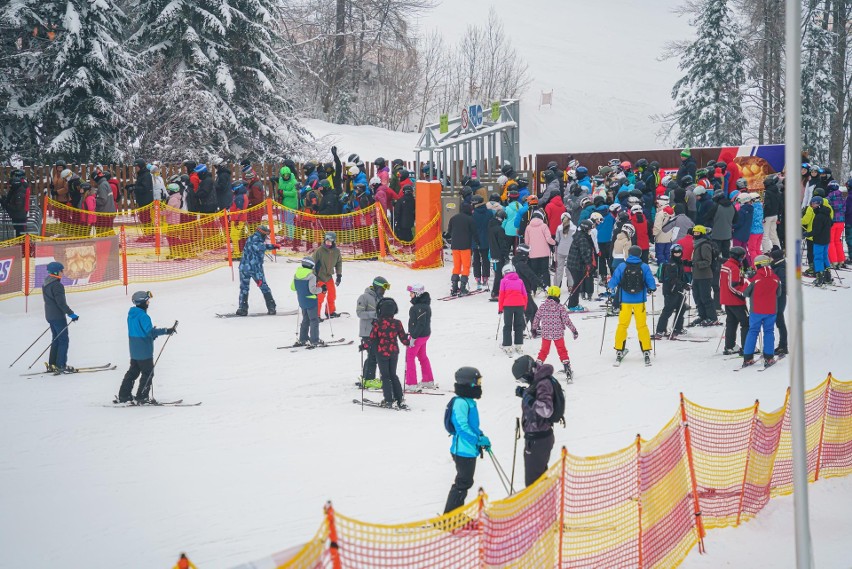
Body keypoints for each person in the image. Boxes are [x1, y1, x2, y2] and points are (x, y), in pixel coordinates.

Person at [116, 291, 176, 404]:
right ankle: (142, 396)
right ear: (143, 302)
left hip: (134, 350)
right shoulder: (143, 316)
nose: (149, 303)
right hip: (144, 351)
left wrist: (151, 335)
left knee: (133, 372)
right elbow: (150, 332)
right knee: (148, 373)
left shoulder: (132, 314)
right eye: (147, 300)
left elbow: (141, 332)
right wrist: (166, 330)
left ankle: (124, 395)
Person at [444, 366, 488, 514]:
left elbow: (472, 426)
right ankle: (450, 518)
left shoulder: (469, 401)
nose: (479, 384)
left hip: (468, 449)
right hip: (462, 450)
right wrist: (477, 440)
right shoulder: (461, 402)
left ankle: (456, 516)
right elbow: (462, 428)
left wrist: (480, 436)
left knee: (465, 482)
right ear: (469, 383)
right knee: (463, 483)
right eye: (477, 381)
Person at [607, 245, 657, 366]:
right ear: (640, 254)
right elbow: (651, 282)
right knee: (642, 326)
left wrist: (610, 287)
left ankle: (619, 349)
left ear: (629, 254)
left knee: (623, 325)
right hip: (639, 301)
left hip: (625, 301)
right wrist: (652, 288)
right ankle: (645, 350)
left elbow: (613, 281)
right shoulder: (644, 266)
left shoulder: (622, 266)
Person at [512, 356, 557, 486]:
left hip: (538, 439)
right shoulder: (539, 382)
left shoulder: (543, 383)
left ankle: (539, 504)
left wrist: (528, 398)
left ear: (529, 371)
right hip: (537, 438)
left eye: (523, 378)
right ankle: (545, 504)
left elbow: (546, 410)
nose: (524, 381)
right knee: (539, 480)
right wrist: (525, 393)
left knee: (533, 483)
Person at [369, 297, 410, 409]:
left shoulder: (378, 323)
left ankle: (388, 400)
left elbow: (372, 338)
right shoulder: (397, 323)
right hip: (394, 352)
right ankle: (400, 398)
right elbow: (404, 339)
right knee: (393, 375)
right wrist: (408, 340)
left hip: (382, 353)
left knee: (385, 376)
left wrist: (364, 346)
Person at [742, 256, 782, 368]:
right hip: (771, 310)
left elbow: (744, 292)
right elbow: (778, 293)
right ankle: (769, 357)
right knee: (769, 331)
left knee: (753, 331)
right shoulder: (775, 277)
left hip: (757, 310)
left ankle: (748, 358)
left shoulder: (754, 278)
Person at [531, 286, 578, 379]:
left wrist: (534, 329)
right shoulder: (560, 307)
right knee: (562, 350)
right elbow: (566, 320)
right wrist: (574, 330)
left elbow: (536, 317)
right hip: (558, 333)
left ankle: (536, 369)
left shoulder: (543, 306)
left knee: (544, 351)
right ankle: (567, 369)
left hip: (546, 333)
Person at [42, 262, 79, 373]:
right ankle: (61, 365)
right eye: (61, 270)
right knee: (63, 340)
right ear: (56, 272)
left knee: (56, 339)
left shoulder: (46, 283)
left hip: (50, 315)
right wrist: (71, 313)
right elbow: (61, 303)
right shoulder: (57, 285)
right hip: (58, 317)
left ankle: (53, 364)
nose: (63, 273)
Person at [236, 225, 279, 316]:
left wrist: (273, 246)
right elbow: (260, 247)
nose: (266, 237)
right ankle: (271, 307)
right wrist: (273, 246)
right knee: (263, 286)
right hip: (254, 269)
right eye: (266, 234)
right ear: (262, 233)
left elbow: (261, 246)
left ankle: (242, 308)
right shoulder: (258, 241)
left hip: (243, 268)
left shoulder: (251, 238)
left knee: (244, 288)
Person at [357, 277, 389, 389]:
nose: (384, 291)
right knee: (373, 356)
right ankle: (368, 379)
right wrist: (374, 315)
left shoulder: (381, 299)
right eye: (382, 288)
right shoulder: (364, 297)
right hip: (367, 332)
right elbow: (359, 313)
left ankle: (366, 378)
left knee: (372, 355)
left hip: (377, 332)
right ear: (376, 287)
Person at [653, 244, 689, 338]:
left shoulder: (679, 262)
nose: (677, 254)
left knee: (681, 308)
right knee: (668, 310)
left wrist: (685, 283)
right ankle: (660, 331)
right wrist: (683, 284)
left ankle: (677, 328)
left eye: (679, 253)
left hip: (678, 290)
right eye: (675, 253)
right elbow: (672, 279)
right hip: (670, 290)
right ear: (672, 253)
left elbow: (681, 275)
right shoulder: (671, 264)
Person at [405, 283, 435, 390]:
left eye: (411, 293)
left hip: (418, 336)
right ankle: (428, 380)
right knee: (422, 356)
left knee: (410, 357)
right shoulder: (423, 305)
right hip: (423, 335)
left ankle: (411, 383)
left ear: (417, 294)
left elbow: (420, 324)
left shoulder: (419, 307)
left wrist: (413, 337)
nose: (410, 295)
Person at [720, 246, 749, 355]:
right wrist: (744, 290)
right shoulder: (734, 268)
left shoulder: (727, 265)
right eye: (742, 257)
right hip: (736, 300)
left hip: (727, 299)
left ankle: (730, 346)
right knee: (746, 323)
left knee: (731, 322)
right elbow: (733, 286)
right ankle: (747, 347)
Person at [291, 257, 324, 347]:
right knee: (314, 320)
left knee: (305, 319)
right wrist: (321, 289)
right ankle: (314, 340)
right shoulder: (311, 276)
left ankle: (303, 338)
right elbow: (312, 290)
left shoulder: (296, 275)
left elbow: (293, 288)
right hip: (311, 301)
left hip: (302, 301)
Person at [690, 225, 719, 326]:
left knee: (705, 297)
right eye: (694, 233)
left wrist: (695, 264)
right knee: (697, 296)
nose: (695, 235)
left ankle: (712, 317)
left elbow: (708, 261)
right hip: (696, 275)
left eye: (697, 233)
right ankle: (702, 315)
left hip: (705, 275)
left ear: (702, 233)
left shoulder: (705, 245)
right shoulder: (697, 244)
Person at [447, 203, 478, 296]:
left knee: (456, 266)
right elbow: (474, 233)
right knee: (466, 266)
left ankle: (454, 287)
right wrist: (478, 242)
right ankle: (463, 287)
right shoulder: (470, 220)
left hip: (455, 246)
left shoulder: (453, 218)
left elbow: (449, 231)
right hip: (465, 246)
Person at [565, 220, 596, 311]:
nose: (590, 231)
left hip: (574, 264)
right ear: (585, 229)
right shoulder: (582, 238)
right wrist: (589, 264)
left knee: (577, 284)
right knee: (577, 285)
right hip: (576, 265)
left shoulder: (581, 235)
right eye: (589, 229)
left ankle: (573, 303)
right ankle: (572, 305)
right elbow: (585, 253)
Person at [498, 264, 528, 355]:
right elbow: (525, 295)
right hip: (520, 305)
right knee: (518, 325)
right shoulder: (520, 281)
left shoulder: (503, 281)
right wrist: (524, 307)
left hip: (508, 305)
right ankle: (518, 346)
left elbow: (501, 295)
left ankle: (507, 346)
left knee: (507, 325)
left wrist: (500, 308)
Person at [312, 231, 343, 318]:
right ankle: (316, 315)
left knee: (332, 294)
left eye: (330, 241)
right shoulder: (319, 251)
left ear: (333, 241)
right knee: (320, 296)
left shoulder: (336, 251)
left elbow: (339, 263)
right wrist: (314, 277)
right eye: (326, 241)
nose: (328, 243)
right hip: (319, 277)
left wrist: (339, 275)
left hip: (329, 276)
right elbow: (312, 263)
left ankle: (330, 311)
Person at [524, 210, 555, 288]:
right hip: (544, 253)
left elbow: (526, 242)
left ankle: (534, 288)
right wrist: (555, 243)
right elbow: (548, 239)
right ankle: (547, 288)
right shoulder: (544, 226)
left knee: (534, 271)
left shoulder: (528, 227)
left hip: (532, 253)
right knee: (545, 271)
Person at [806, 196, 833, 286]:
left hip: (819, 240)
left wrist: (807, 234)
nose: (812, 206)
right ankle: (828, 276)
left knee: (818, 257)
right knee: (825, 256)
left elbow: (816, 231)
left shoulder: (819, 216)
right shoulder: (826, 213)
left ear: (818, 204)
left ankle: (819, 277)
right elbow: (831, 223)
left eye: (813, 204)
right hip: (826, 239)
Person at [488, 209, 512, 301]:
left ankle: (496, 291)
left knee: (497, 273)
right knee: (499, 275)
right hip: (499, 255)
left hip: (493, 254)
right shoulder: (500, 230)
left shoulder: (490, 227)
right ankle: (495, 292)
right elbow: (503, 244)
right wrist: (506, 255)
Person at [769, 248, 788, 355]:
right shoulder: (778, 265)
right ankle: (782, 344)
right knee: (779, 320)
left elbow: (782, 283)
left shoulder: (780, 268)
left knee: (780, 320)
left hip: (779, 296)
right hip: (778, 296)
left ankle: (783, 345)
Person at [826, 180, 846, 268]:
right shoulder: (842, 196)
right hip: (841, 222)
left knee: (831, 241)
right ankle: (841, 259)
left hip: (833, 222)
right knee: (838, 241)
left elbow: (827, 206)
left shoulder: (830, 196)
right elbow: (844, 208)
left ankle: (833, 260)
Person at [553, 213, 575, 293]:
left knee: (559, 269)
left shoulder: (559, 228)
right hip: (570, 250)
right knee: (569, 269)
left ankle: (556, 286)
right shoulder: (574, 228)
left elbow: (557, 240)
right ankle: (571, 286)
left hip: (560, 250)